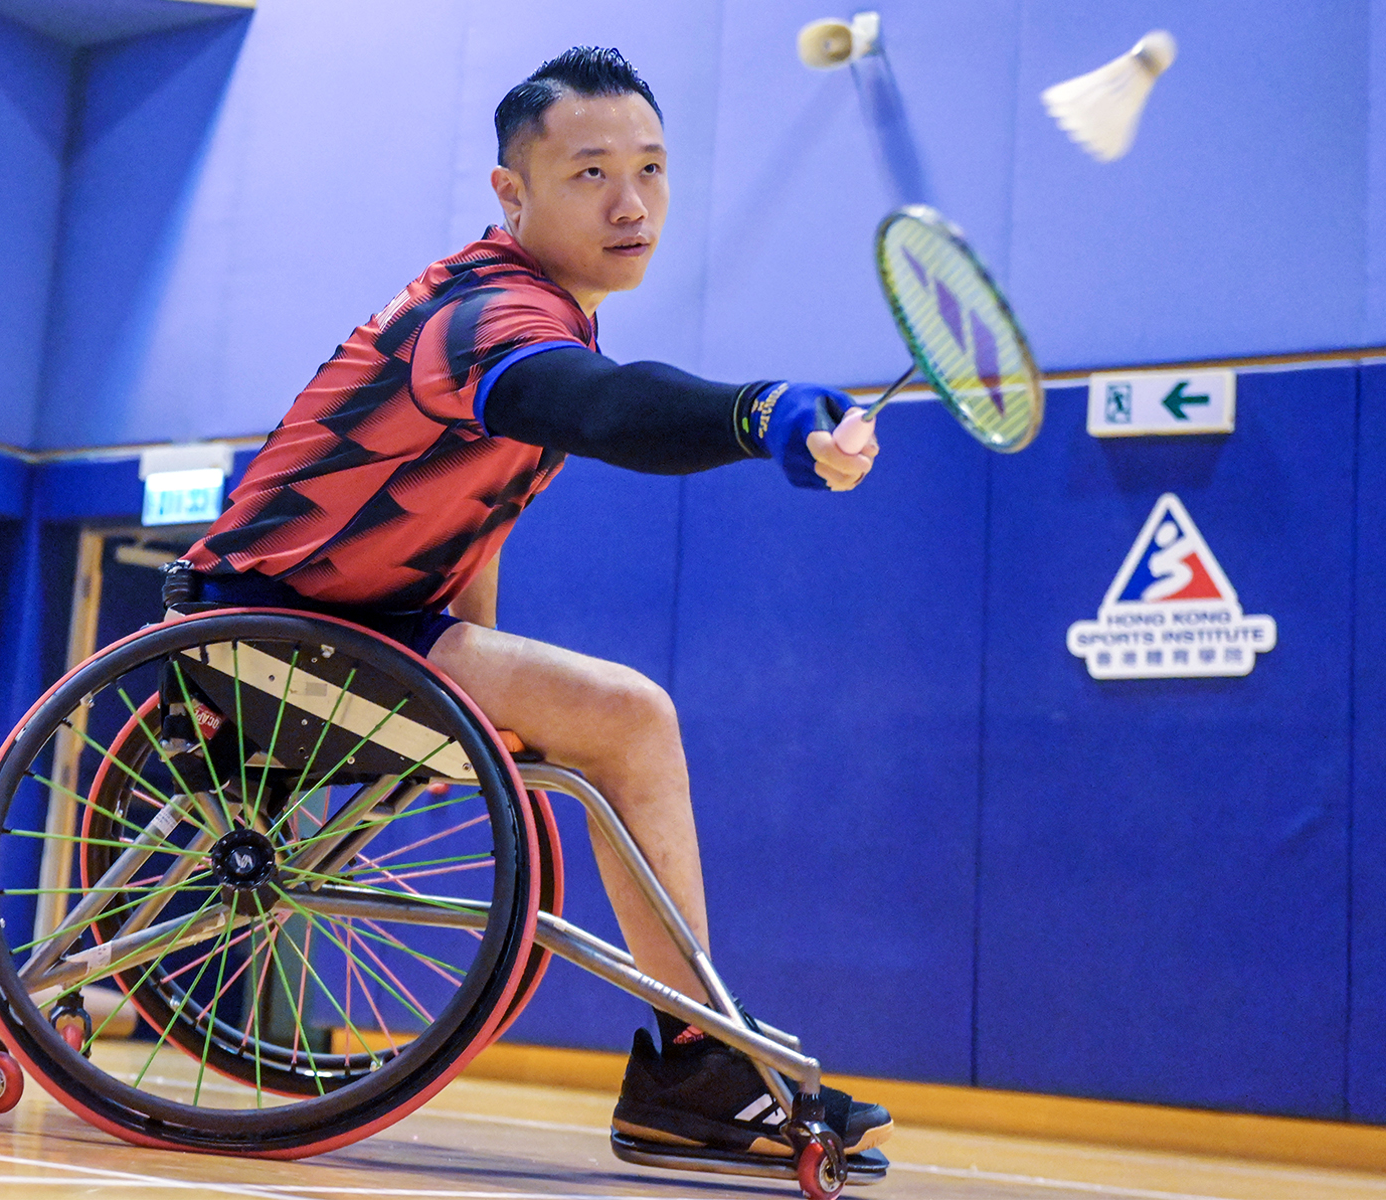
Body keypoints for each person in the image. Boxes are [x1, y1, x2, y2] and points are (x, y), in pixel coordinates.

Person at [180, 46, 889, 1165]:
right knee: (633, 716)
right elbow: (608, 408)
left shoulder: (542, 314)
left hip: (370, 639)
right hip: (266, 638)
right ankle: (697, 1066)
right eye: (590, 173)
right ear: (512, 193)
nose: (631, 202)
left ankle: (693, 1066)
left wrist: (493, 677)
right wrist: (764, 412)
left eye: (653, 170)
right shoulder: (483, 316)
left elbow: (471, 529)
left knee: (614, 718)